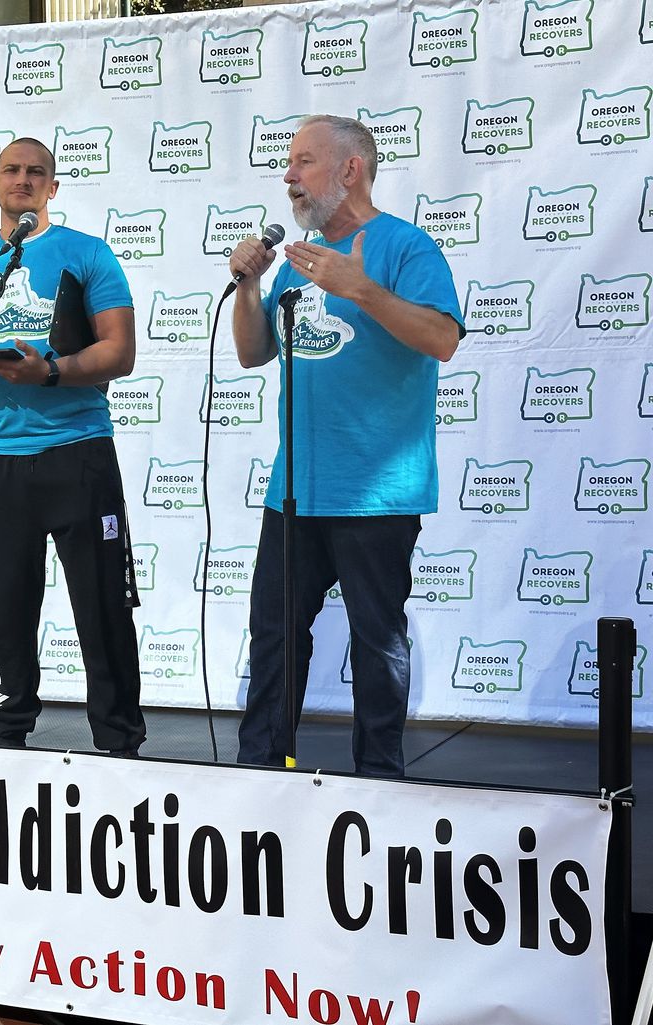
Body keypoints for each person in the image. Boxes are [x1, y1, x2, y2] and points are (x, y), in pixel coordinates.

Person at [229, 115, 464, 777]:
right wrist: (250, 285)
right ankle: (261, 771)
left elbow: (442, 339)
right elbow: (253, 353)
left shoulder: (405, 248)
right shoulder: (297, 263)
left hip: (377, 493)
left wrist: (358, 286)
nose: (289, 176)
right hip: (295, 488)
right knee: (275, 639)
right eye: (289, 162)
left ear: (350, 169)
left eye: (303, 161)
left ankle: (381, 780)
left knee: (375, 642)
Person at [0, 136, 146, 755]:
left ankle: (120, 743)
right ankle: (8, 734)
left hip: (78, 455)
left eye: (35, 172)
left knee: (101, 606)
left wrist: (48, 370)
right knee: (7, 611)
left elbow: (119, 353)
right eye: (11, 171)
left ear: (53, 187)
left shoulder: (87, 255)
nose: (22, 180)